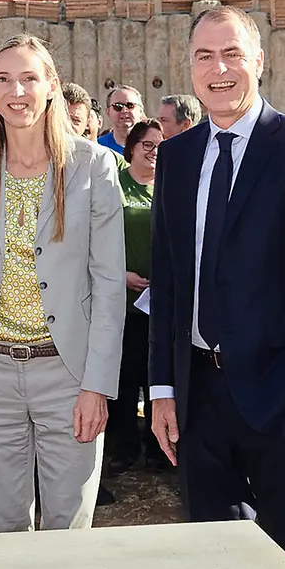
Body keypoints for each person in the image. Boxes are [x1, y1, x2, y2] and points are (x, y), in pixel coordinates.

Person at [147, 8, 285, 569]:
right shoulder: (178, 156)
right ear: (188, 66)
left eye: (232, 54)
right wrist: (163, 387)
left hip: (282, 394)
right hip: (196, 393)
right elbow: (166, 278)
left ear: (259, 61)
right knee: (212, 560)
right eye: (204, 56)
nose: (219, 69)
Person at [0, 35, 125, 533]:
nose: (16, 90)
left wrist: (97, 386)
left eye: (28, 78)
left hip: (68, 376)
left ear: (51, 87)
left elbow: (108, 285)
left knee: (68, 532)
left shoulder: (93, 165)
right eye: (3, 79)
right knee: (1, 531)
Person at [106, 117, 163, 479]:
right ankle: (125, 448)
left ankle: (160, 448)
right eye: (147, 145)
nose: (154, 152)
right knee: (125, 381)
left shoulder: (170, 187)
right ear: (131, 149)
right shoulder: (115, 186)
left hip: (160, 304)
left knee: (157, 378)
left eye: (160, 145)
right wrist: (119, 274)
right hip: (122, 303)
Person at [99, 86, 143, 155]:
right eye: (118, 106)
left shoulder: (152, 146)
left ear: (140, 111)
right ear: (108, 112)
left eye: (130, 105)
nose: (124, 110)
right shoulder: (99, 147)